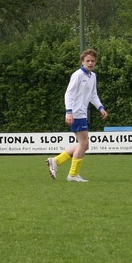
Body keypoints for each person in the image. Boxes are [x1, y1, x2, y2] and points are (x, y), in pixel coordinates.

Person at [46, 48, 107, 183]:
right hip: (75, 113)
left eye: (92, 61)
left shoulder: (92, 76)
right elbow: (69, 94)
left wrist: (100, 107)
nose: (90, 63)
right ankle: (72, 174)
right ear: (82, 61)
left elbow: (93, 94)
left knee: (84, 144)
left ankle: (56, 161)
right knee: (84, 143)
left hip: (82, 113)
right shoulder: (77, 75)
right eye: (87, 61)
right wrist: (69, 112)